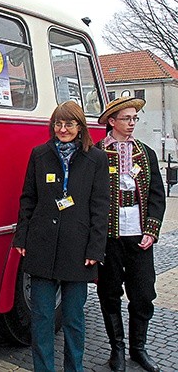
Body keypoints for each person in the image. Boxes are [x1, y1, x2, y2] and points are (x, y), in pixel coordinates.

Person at [12, 100, 110, 372]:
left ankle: (74, 368)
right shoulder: (40, 154)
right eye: (58, 123)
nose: (63, 129)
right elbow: (28, 199)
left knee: (73, 319)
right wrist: (21, 238)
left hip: (78, 251)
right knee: (42, 318)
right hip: (41, 246)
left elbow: (101, 207)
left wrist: (95, 249)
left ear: (80, 127)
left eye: (69, 123)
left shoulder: (96, 159)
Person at [95, 96, 166, 372]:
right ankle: (117, 349)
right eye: (127, 118)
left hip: (139, 236)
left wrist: (151, 229)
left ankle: (139, 348)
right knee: (109, 293)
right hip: (110, 237)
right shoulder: (97, 153)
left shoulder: (146, 153)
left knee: (143, 294)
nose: (132, 123)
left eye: (135, 118)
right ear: (112, 121)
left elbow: (157, 196)